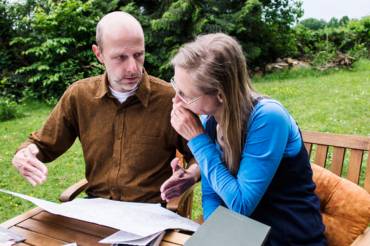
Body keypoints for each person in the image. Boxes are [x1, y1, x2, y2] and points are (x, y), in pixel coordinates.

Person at [11, 11, 199, 204]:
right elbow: (43, 145)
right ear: (98, 54)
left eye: (138, 55)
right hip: (97, 210)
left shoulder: (170, 99)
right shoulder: (79, 95)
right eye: (120, 57)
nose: (133, 68)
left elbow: (201, 155)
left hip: (151, 212)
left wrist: (190, 175)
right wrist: (23, 154)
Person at [169, 33, 326, 245]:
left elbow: (241, 205)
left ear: (221, 94)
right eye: (175, 87)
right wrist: (215, 235)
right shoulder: (210, 120)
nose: (176, 101)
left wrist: (198, 141)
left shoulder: (268, 118)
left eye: (185, 95)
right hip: (244, 237)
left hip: (288, 237)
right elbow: (211, 194)